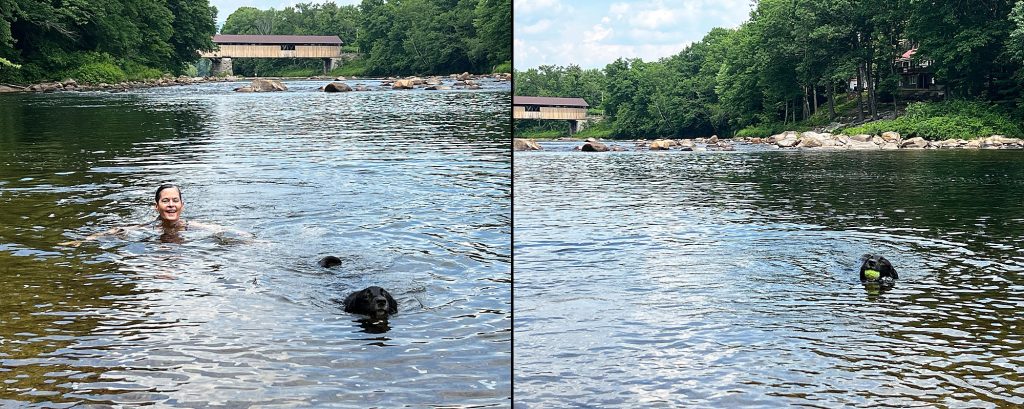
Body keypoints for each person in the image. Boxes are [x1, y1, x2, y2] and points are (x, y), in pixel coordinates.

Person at [60, 184, 243, 246]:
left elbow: (221, 229)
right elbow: (118, 230)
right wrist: (84, 240)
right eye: (165, 201)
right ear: (156, 207)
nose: (171, 205)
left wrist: (253, 241)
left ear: (182, 205)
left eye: (175, 201)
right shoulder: (149, 227)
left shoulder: (191, 226)